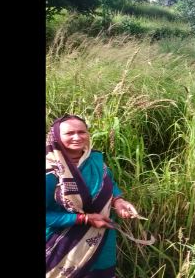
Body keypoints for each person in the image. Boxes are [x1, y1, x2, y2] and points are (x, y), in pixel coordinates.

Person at [46, 115, 139, 278]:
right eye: (69, 133)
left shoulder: (94, 160)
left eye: (82, 132)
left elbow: (109, 183)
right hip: (61, 242)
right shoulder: (50, 170)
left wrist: (118, 200)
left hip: (100, 235)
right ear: (56, 137)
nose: (77, 137)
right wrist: (84, 219)